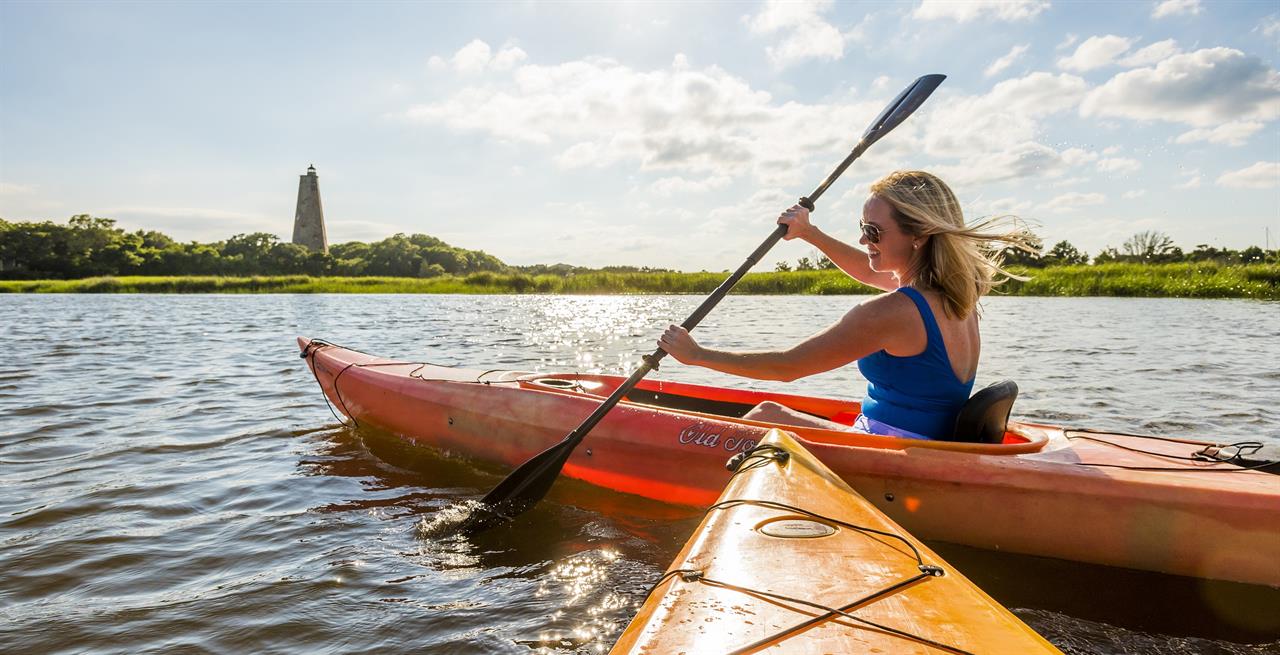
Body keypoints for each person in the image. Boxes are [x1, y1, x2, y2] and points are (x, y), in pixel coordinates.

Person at [658, 170, 1034, 441]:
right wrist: (809, 233)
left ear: (919, 235)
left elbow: (787, 367)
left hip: (893, 450)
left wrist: (698, 355)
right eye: (862, 226)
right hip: (925, 441)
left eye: (873, 231)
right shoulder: (958, 293)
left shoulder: (892, 313)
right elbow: (869, 272)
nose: (863, 238)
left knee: (767, 414)